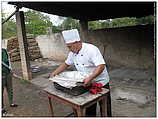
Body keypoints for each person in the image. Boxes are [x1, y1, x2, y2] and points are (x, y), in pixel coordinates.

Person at [49, 29, 112, 117]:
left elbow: (101, 66)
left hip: (101, 82)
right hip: (87, 82)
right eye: (68, 47)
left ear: (77, 42)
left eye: (70, 46)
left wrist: (90, 78)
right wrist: (54, 73)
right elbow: (66, 64)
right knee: (89, 105)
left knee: (105, 106)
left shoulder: (91, 49)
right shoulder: (72, 53)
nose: (69, 49)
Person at [2, 48, 21, 114]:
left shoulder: (4, 50)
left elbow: (9, 61)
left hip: (8, 73)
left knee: (10, 89)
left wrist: (11, 69)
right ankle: (1, 108)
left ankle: (11, 103)